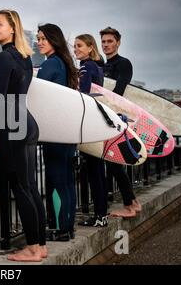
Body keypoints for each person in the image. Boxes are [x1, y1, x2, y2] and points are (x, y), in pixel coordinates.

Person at [0, 9, 47, 262]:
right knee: (31, 186)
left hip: (12, 126)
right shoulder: (24, 56)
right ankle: (41, 245)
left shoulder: (4, 58)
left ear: (12, 28)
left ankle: (33, 249)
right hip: (27, 123)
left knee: (21, 188)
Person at [36, 23, 79, 241]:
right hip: (67, 132)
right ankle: (68, 227)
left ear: (54, 40)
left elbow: (36, 97)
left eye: (43, 38)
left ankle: (61, 230)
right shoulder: (64, 64)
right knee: (68, 182)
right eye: (38, 38)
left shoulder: (50, 65)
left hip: (54, 133)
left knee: (57, 182)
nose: (39, 42)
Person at [100, 26, 142, 218]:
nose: (106, 45)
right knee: (112, 162)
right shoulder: (101, 65)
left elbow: (119, 91)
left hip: (117, 118)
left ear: (118, 42)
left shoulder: (124, 64)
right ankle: (131, 202)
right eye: (103, 42)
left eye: (109, 41)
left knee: (115, 162)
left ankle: (130, 204)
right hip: (105, 118)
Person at [74, 34, 108, 227]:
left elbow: (84, 96)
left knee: (94, 172)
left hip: (89, 124)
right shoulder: (97, 67)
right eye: (75, 46)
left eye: (79, 46)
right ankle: (101, 215)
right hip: (97, 123)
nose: (76, 49)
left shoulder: (86, 67)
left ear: (90, 48)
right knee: (98, 172)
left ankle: (99, 217)